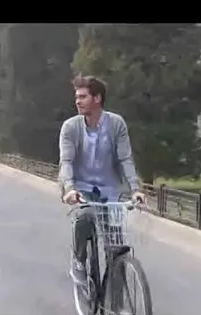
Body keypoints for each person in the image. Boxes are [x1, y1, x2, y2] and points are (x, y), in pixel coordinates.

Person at [59, 74, 145, 287]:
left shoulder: (116, 124)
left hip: (110, 191)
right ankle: (79, 260)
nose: (77, 101)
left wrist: (135, 189)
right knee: (85, 215)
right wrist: (69, 188)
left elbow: (125, 158)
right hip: (81, 188)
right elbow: (66, 161)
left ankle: (116, 306)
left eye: (83, 96)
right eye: (77, 97)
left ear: (97, 98)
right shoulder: (70, 127)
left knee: (116, 247)